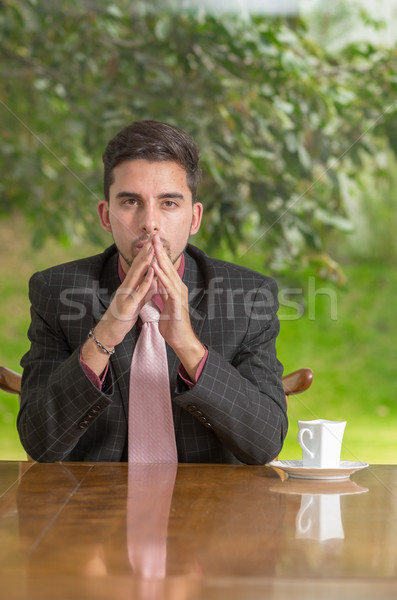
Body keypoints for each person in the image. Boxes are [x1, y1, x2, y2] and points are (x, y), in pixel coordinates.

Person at [17, 120, 287, 463]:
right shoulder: (56, 291)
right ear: (105, 215)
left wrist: (188, 345)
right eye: (130, 202)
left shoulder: (250, 296)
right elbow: (41, 444)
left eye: (169, 203)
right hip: (96, 509)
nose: (150, 222)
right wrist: (104, 336)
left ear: (194, 218)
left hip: (208, 508)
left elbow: (264, 444)